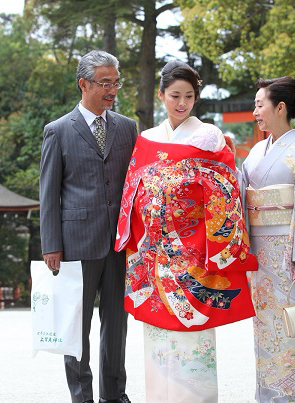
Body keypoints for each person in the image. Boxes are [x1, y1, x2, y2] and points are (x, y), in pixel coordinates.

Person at [115, 61, 258, 402]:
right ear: (161, 95)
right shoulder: (147, 138)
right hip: (154, 252)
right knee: (158, 339)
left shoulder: (208, 136)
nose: (182, 103)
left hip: (194, 251)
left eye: (189, 96)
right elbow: (133, 186)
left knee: (194, 337)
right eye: (175, 95)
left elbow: (226, 188)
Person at [39, 50, 138, 403]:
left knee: (117, 325)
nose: (112, 90)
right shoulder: (58, 131)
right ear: (84, 84)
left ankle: (115, 394)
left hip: (120, 244)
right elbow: (49, 193)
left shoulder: (128, 128)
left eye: (116, 83)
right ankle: (82, 396)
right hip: (75, 242)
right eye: (104, 83)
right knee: (75, 327)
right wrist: (51, 244)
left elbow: (135, 184)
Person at [239, 76, 295, 402]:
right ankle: (269, 395)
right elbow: (240, 189)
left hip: (290, 254)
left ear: (280, 108)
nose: (255, 112)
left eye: (259, 105)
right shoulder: (256, 152)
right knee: (266, 328)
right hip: (261, 257)